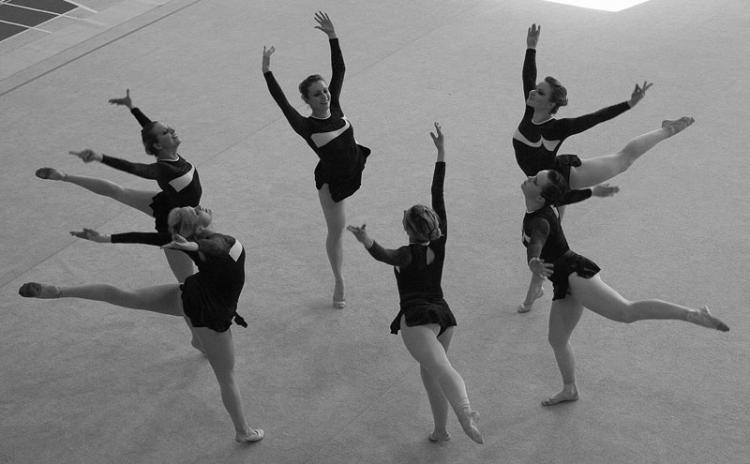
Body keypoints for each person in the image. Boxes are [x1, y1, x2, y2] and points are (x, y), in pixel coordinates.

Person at [18, 206, 264, 444]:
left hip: (187, 296)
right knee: (227, 377)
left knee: (128, 296)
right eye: (195, 210)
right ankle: (243, 431)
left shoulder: (194, 238)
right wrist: (194, 246)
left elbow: (144, 237)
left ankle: (59, 291)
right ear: (195, 226)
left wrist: (105, 238)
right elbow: (215, 248)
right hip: (209, 314)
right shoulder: (217, 244)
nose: (197, 205)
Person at [520, 169, 729, 407]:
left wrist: (533, 260)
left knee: (626, 311)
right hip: (562, 281)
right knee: (557, 340)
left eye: (535, 180)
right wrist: (592, 191)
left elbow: (537, 241)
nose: (529, 178)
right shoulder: (546, 205)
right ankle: (570, 388)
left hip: (574, 276)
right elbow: (565, 196)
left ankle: (692, 314)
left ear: (541, 197)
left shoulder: (540, 222)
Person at [35, 90, 205, 347]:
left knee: (119, 192)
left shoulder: (169, 154)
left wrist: (132, 108)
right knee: (187, 287)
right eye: (166, 132)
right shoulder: (163, 168)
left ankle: (63, 176)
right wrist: (101, 157)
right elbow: (135, 168)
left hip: (169, 204)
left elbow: (150, 128)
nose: (172, 130)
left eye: (168, 128)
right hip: (177, 228)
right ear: (159, 146)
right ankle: (197, 338)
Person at [347, 123, 482, 444]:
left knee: (441, 368)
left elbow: (384, 255)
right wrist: (441, 152)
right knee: (431, 372)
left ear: (407, 229)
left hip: (418, 320)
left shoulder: (407, 254)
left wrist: (366, 239)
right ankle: (441, 430)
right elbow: (439, 194)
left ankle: (465, 413)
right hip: (444, 317)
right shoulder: (439, 243)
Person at [514, 24, 650, 313]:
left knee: (622, 162)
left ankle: (536, 286)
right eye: (535, 90)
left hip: (556, 182)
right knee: (548, 239)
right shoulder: (530, 108)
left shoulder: (558, 128)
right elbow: (527, 77)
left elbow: (594, 118)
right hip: (542, 180)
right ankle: (536, 286)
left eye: (540, 92)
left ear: (551, 104)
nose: (532, 92)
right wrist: (531, 47)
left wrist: (629, 104)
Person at [263, 11, 371, 309]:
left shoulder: (335, 105)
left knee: (341, 221)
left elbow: (340, 69)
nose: (324, 96)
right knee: (336, 231)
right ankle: (339, 279)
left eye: (324, 91)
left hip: (354, 164)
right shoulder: (305, 126)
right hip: (332, 182)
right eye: (317, 94)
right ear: (307, 100)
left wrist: (333, 37)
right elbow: (281, 101)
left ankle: (338, 278)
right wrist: (267, 70)